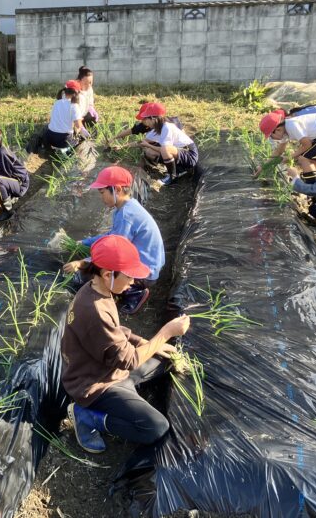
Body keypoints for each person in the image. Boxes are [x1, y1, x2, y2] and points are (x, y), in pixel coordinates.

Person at [61, 235, 190, 453]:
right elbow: (128, 360)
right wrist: (165, 333)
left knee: (165, 360)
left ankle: (128, 390)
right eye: (129, 277)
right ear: (108, 274)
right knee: (156, 428)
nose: (133, 283)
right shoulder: (94, 309)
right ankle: (88, 417)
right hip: (96, 385)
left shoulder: (99, 291)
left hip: (110, 369)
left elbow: (117, 332)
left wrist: (152, 344)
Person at [63, 166, 164, 315]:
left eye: (102, 192)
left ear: (116, 189)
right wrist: (85, 242)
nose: (101, 197)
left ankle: (134, 293)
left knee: (95, 273)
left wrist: (82, 263)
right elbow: (112, 236)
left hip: (144, 273)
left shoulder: (126, 216)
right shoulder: (126, 208)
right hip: (147, 264)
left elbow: (115, 252)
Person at [119, 103, 198, 186]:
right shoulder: (157, 129)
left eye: (145, 119)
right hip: (179, 154)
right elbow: (141, 142)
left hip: (189, 155)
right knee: (149, 152)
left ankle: (172, 177)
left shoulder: (167, 127)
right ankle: (179, 170)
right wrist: (122, 147)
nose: (144, 122)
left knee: (164, 149)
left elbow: (165, 149)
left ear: (153, 118)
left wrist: (148, 145)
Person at [257, 109, 316, 174]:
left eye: (271, 136)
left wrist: (290, 157)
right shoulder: (284, 132)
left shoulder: (292, 126)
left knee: (304, 159)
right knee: (314, 159)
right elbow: (278, 151)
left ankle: (313, 186)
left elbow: (307, 144)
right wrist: (264, 167)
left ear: (278, 129)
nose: (272, 139)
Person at [44, 80, 85, 151]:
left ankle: (51, 149)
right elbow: (78, 125)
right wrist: (79, 124)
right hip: (63, 141)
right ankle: (66, 150)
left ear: (65, 91)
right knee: (80, 139)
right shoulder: (74, 106)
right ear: (77, 93)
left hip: (49, 137)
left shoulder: (57, 102)